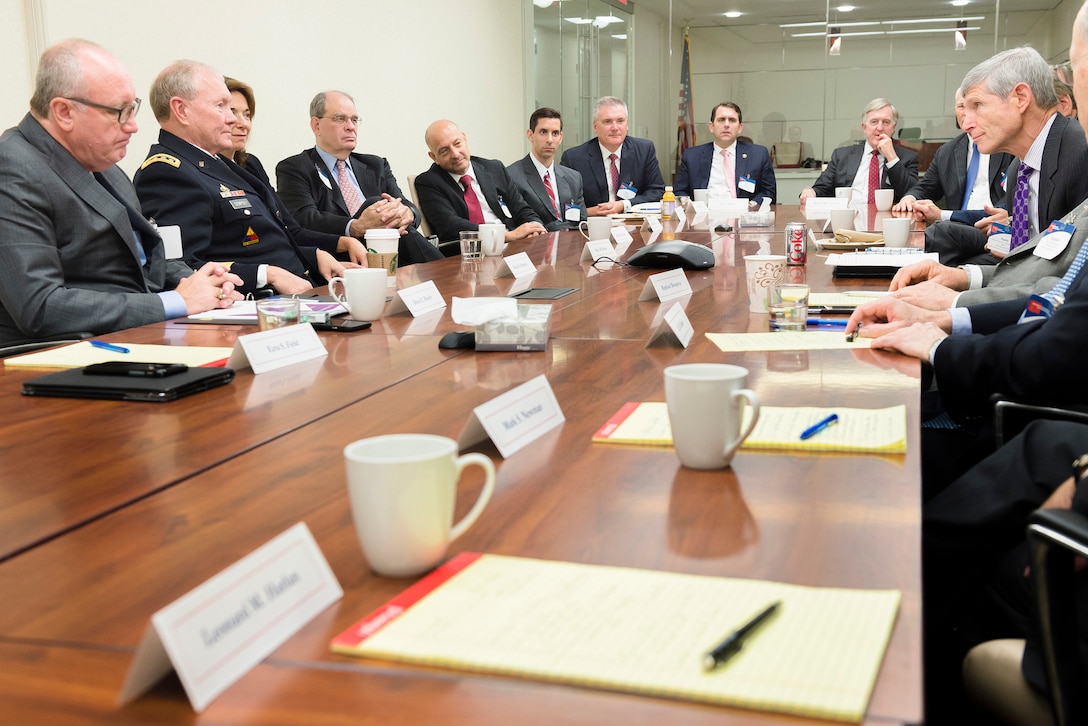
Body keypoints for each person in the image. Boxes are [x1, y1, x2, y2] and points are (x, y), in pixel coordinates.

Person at [0, 39, 241, 346]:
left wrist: (198, 282)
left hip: (136, 333)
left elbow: (141, 259)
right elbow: (41, 306)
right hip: (60, 356)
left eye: (132, 108)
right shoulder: (12, 169)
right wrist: (176, 303)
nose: (133, 126)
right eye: (120, 112)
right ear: (64, 112)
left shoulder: (105, 165)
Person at [884, 46, 1088, 307]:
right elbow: (1030, 270)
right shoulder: (1019, 170)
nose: (966, 123)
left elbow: (1068, 287)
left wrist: (958, 303)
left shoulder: (1080, 153)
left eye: (977, 105)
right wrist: (962, 276)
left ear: (1021, 97)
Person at [134, 61, 357, 295]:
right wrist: (265, 274)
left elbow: (268, 238)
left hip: (300, 291)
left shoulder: (218, 164)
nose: (232, 120)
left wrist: (315, 255)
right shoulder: (167, 173)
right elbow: (179, 269)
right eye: (220, 106)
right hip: (258, 308)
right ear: (181, 110)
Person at [275, 91, 442, 266]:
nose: (351, 126)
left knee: (387, 214)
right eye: (340, 119)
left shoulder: (376, 165)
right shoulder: (295, 168)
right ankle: (442, 271)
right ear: (316, 125)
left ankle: (440, 273)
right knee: (376, 205)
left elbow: (404, 204)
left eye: (354, 120)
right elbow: (304, 219)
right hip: (342, 257)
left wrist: (407, 214)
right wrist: (355, 226)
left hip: (393, 249)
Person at [414, 119, 546, 248]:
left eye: (457, 143)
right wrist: (505, 236)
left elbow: (522, 209)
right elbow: (450, 226)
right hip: (468, 254)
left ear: (464, 139)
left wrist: (534, 227)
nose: (455, 154)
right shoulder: (428, 182)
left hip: (514, 247)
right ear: (434, 157)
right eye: (444, 151)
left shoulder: (494, 168)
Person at [892, 90, 1013, 227]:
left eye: (975, 106)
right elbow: (927, 187)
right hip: (955, 229)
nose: (966, 113)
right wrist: (910, 198)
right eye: (961, 106)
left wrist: (942, 215)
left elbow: (1010, 203)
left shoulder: (1008, 145)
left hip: (995, 228)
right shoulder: (947, 151)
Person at [560, 96, 665, 215]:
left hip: (634, 224)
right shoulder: (574, 158)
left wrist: (623, 205)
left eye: (620, 121)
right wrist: (593, 211)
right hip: (592, 226)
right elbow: (566, 206)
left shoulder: (644, 150)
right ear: (595, 127)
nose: (615, 128)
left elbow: (657, 192)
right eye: (607, 122)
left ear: (627, 125)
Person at [799, 98, 919, 204]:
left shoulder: (908, 158)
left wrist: (892, 157)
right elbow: (822, 188)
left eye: (886, 122)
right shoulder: (842, 156)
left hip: (888, 222)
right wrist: (811, 191)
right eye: (874, 122)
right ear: (864, 127)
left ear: (893, 127)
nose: (880, 128)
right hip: (847, 221)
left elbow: (913, 194)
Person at [673, 102, 776, 205]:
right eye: (721, 120)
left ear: (740, 128)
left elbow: (768, 192)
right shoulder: (692, 156)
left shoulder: (758, 155)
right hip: (704, 216)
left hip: (743, 215)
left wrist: (750, 206)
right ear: (711, 127)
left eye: (732, 120)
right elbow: (680, 192)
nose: (726, 125)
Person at [505, 107, 586, 231]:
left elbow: (582, 223)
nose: (549, 140)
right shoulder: (511, 176)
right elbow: (516, 224)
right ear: (530, 135)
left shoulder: (573, 178)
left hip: (571, 245)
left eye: (555, 133)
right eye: (543, 132)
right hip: (534, 247)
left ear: (561, 138)